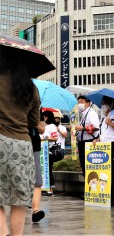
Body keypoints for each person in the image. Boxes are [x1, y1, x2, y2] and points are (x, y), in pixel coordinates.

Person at [0, 48, 40, 236]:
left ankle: (2, 232)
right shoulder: (32, 88)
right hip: (23, 146)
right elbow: (33, 122)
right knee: (19, 200)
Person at [93, 96, 114, 206]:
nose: (103, 105)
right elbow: (103, 134)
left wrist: (112, 124)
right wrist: (97, 139)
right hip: (105, 147)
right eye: (102, 103)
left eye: (105, 103)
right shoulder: (103, 118)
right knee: (108, 173)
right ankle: (110, 196)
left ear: (111, 104)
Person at [42, 110, 66, 196]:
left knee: (48, 168)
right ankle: (48, 189)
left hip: (50, 150)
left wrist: (44, 137)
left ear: (46, 117)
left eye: (43, 116)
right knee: (47, 169)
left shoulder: (51, 126)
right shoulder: (45, 126)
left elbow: (55, 138)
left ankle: (50, 190)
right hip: (45, 150)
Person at [75, 96, 100, 178]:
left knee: (89, 166)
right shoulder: (84, 114)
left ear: (88, 103)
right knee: (84, 166)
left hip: (89, 142)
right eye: (78, 102)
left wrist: (83, 128)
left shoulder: (91, 113)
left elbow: (96, 127)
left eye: (82, 102)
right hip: (83, 143)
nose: (79, 104)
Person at [30, 112, 46, 223]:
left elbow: (42, 129)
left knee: (37, 180)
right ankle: (16, 210)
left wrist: (34, 123)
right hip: (17, 144)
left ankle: (35, 210)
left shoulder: (37, 110)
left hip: (35, 146)